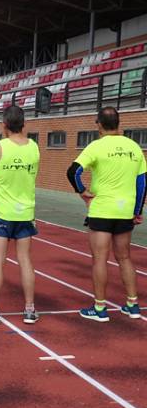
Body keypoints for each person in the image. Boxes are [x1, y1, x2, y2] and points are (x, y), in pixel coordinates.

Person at [67, 107, 146, 322]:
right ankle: (133, 305)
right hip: (125, 210)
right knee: (125, 257)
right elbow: (142, 182)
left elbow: (73, 171)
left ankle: (100, 309)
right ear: (119, 123)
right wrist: (137, 211)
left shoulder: (96, 146)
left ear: (99, 125)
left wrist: (82, 192)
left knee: (100, 259)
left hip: (102, 209)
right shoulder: (134, 147)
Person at [0, 106, 40, 325]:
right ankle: (30, 309)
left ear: (4, 125)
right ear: (24, 123)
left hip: (2, 212)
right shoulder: (34, 147)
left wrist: (0, 179)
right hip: (25, 212)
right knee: (25, 260)